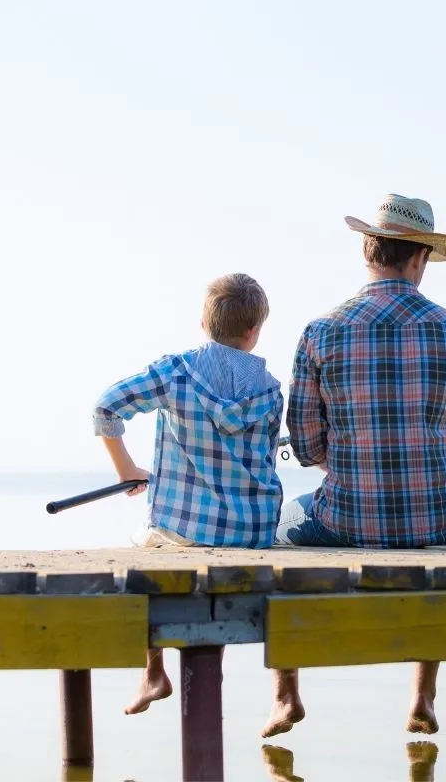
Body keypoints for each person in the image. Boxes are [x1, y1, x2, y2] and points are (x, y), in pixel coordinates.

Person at [265, 194, 446, 737]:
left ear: (367, 249)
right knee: (427, 551)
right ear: (420, 259)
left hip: (346, 518)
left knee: (277, 527)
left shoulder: (321, 331)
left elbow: (308, 447)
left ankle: (286, 696)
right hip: (440, 520)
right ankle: (423, 699)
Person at [92, 272, 285, 715]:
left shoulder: (175, 372)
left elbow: (106, 407)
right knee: (207, 569)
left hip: (186, 529)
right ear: (254, 332)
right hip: (252, 531)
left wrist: (126, 469)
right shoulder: (271, 391)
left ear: (203, 324)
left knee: (144, 554)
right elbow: (266, 460)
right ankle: (232, 676)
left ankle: (153, 672)